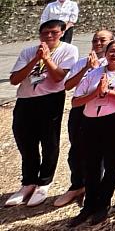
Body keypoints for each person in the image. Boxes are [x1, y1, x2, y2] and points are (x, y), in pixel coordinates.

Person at [7, 19, 79, 208]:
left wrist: (46, 59)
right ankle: (28, 182)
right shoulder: (28, 51)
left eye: (54, 32)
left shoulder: (69, 50)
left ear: (61, 33)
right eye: (45, 33)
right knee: (25, 141)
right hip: (26, 100)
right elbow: (14, 79)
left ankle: (44, 182)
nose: (49, 36)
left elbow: (59, 78)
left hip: (50, 100)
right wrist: (35, 59)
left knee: (49, 142)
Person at [69, 39, 115, 226]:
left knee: (111, 163)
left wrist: (108, 92)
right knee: (90, 164)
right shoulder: (94, 73)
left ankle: (104, 203)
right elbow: (75, 101)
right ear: (106, 53)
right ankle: (89, 205)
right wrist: (96, 94)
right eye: (111, 51)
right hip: (90, 120)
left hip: (114, 120)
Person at [55, 29, 114, 208]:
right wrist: (87, 68)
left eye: (102, 40)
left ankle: (94, 187)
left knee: (98, 151)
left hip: (100, 110)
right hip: (79, 108)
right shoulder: (82, 62)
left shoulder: (113, 63)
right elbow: (67, 85)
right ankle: (77, 185)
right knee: (76, 149)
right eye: (95, 40)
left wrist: (96, 70)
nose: (98, 43)